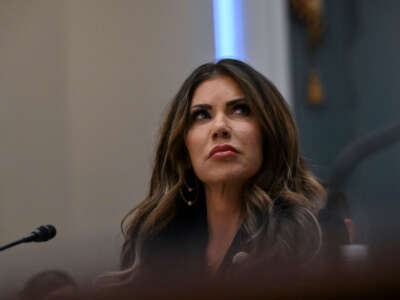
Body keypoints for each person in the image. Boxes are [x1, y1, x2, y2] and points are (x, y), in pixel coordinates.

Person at [110, 59, 326, 285]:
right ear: (184, 147)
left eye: (240, 110)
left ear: (269, 133)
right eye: (202, 115)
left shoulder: (309, 236)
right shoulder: (156, 243)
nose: (220, 127)